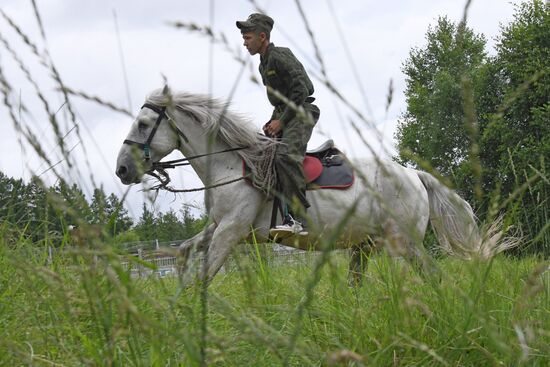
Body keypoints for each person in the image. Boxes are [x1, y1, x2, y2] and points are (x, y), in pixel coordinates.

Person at [236, 13, 320, 238]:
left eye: (248, 37)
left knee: (285, 156)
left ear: (262, 37)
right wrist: (272, 122)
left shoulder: (280, 56)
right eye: (244, 38)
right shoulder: (263, 65)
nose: (244, 42)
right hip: (287, 115)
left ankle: (300, 219)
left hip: (302, 113)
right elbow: (281, 101)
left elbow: (302, 90)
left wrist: (281, 122)